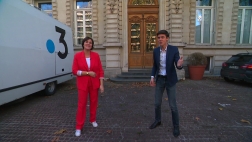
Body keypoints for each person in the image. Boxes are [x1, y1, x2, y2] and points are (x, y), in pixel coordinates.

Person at [149, 30, 183, 137]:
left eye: (162, 37)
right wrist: (152, 77)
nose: (160, 39)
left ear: (167, 38)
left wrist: (179, 64)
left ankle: (176, 126)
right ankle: (158, 120)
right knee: (157, 103)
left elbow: (178, 64)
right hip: (160, 80)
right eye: (158, 37)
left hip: (170, 80)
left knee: (173, 105)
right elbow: (155, 65)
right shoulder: (156, 51)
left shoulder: (173, 49)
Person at [72, 37, 104, 137]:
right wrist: (87, 73)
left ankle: (93, 119)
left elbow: (100, 71)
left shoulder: (96, 55)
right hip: (83, 84)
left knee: (94, 102)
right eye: (86, 42)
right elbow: (74, 71)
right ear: (83, 44)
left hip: (94, 84)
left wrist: (101, 84)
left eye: (90, 42)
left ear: (92, 45)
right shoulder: (77, 56)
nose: (88, 44)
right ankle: (79, 126)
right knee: (82, 105)